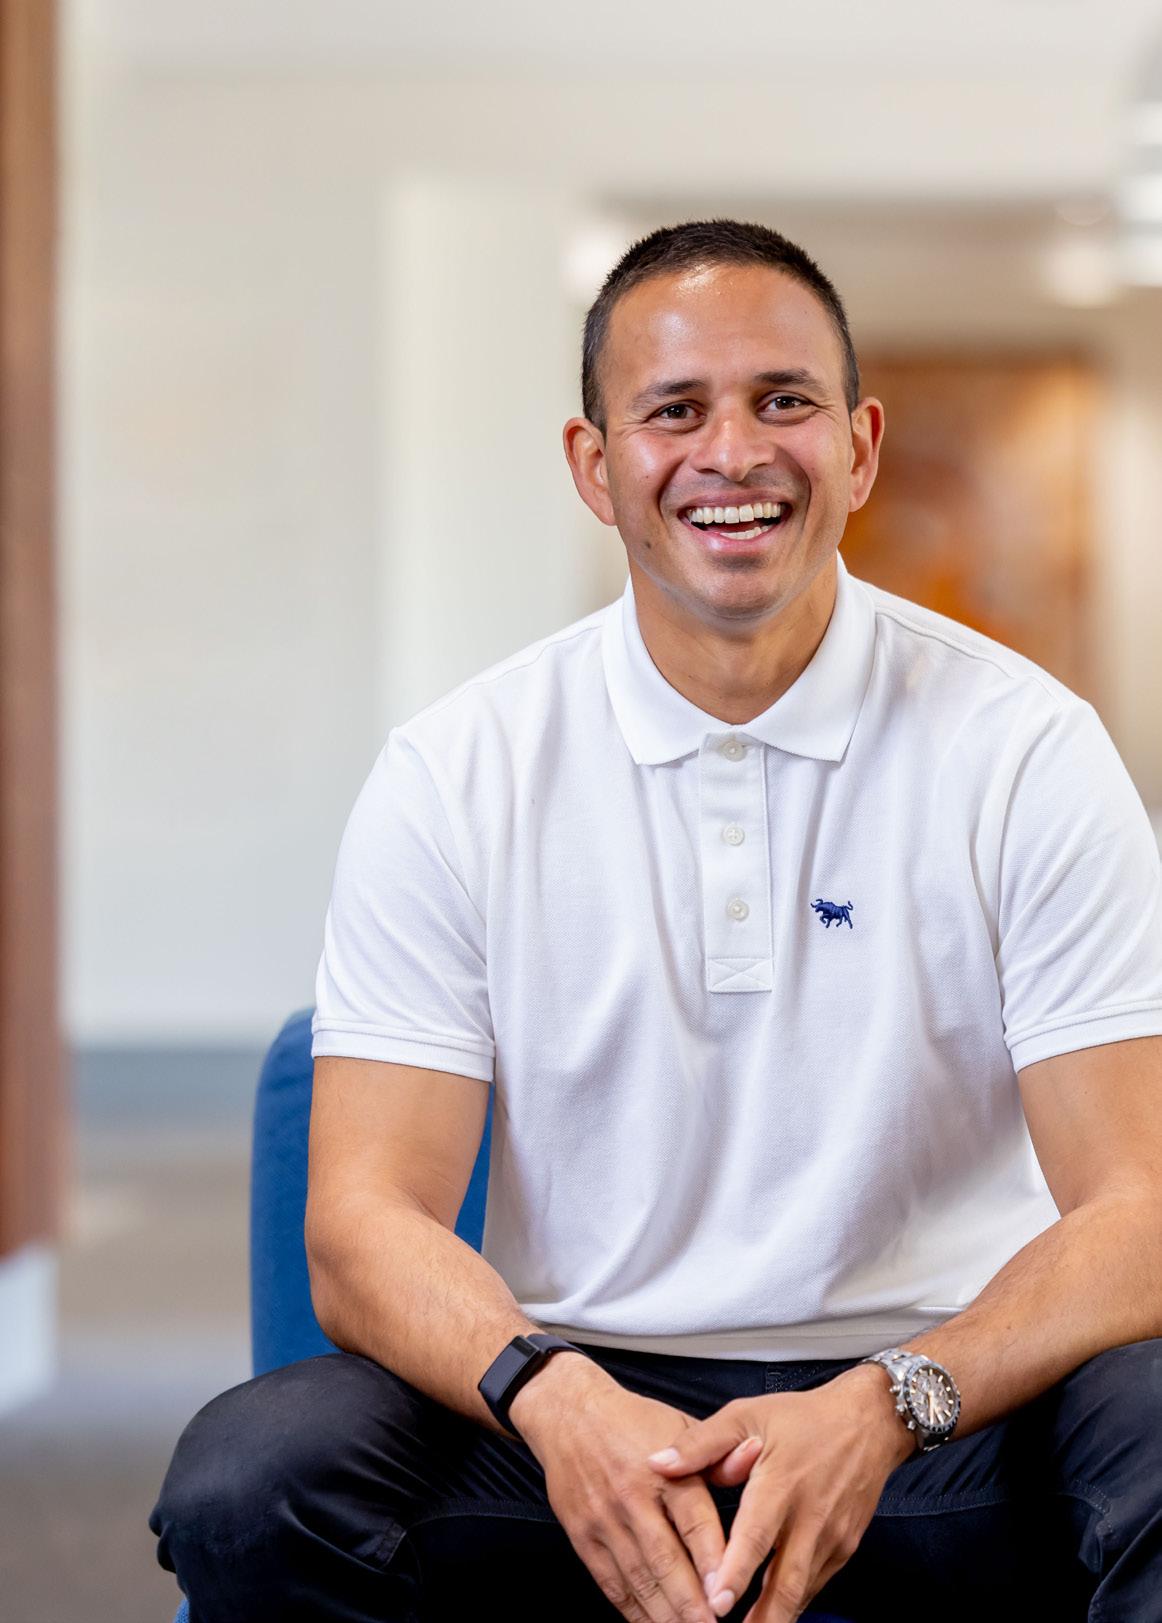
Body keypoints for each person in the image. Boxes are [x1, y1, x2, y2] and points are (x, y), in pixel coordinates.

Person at [150, 219, 1162, 1623]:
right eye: (673, 411)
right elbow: (361, 1224)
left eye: (783, 401)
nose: (731, 454)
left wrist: (887, 1401)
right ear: (595, 466)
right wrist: (554, 1398)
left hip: (945, 1412)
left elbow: (1138, 1209)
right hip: (584, 1406)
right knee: (252, 1481)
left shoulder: (1027, 750)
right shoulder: (458, 771)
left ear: (859, 447)